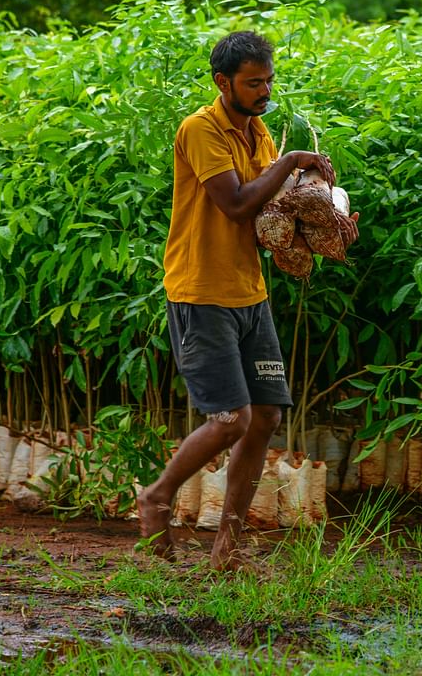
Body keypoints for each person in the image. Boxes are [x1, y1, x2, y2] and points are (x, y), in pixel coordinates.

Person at [136, 30, 359, 571]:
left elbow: (266, 216)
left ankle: (227, 550)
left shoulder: (258, 133)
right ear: (223, 82)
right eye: (253, 83)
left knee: (264, 418)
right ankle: (157, 498)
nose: (264, 92)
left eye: (268, 81)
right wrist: (290, 164)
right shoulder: (200, 129)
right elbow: (236, 204)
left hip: (249, 294)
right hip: (202, 291)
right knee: (231, 419)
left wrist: (320, 221)